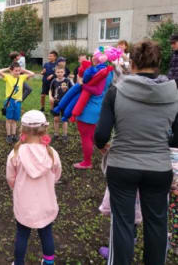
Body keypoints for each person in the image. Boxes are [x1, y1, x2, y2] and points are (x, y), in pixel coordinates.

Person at [94, 40, 178, 265]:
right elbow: (177, 138)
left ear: (132, 64)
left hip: (122, 166)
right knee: (157, 224)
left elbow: (101, 135)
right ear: (158, 63)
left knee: (122, 222)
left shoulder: (116, 91)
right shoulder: (173, 93)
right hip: (158, 168)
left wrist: (104, 146)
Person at [6, 110, 61, 265]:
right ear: (44, 130)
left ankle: (18, 263)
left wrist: (16, 188)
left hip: (24, 204)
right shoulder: (52, 154)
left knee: (22, 235)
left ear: (22, 130)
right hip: (46, 203)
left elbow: (11, 178)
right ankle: (48, 262)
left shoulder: (15, 154)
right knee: (46, 234)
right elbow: (57, 175)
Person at [73, 54, 113, 170]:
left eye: (94, 57)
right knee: (95, 136)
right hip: (100, 107)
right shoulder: (109, 72)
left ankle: (87, 162)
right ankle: (109, 155)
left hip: (88, 109)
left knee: (86, 137)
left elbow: (84, 83)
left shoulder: (95, 72)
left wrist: (81, 80)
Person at [0, 62, 35, 143]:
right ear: (11, 71)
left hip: (17, 102)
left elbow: (32, 73)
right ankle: (8, 135)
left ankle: (14, 135)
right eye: (15, 71)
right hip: (10, 101)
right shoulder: (8, 77)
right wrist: (8, 68)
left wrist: (23, 70)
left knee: (15, 120)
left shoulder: (21, 77)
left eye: (18, 71)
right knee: (9, 119)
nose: (17, 72)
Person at [49, 67, 73, 142]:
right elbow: (50, 90)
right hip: (56, 103)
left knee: (64, 119)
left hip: (65, 103)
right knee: (56, 119)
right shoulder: (53, 81)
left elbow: (72, 91)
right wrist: (50, 97)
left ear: (64, 73)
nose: (59, 74)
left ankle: (65, 135)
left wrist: (66, 89)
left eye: (61, 72)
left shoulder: (67, 81)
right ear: (55, 73)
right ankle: (56, 134)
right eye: (58, 72)